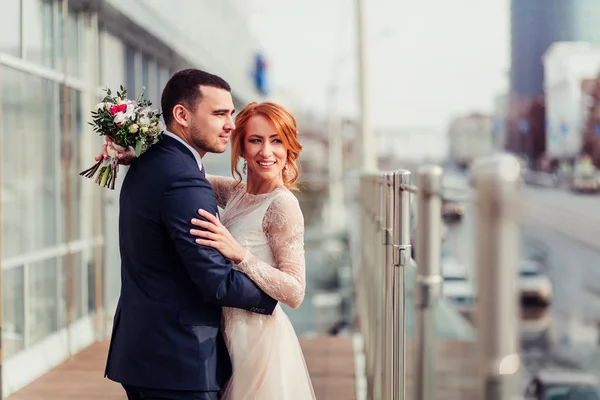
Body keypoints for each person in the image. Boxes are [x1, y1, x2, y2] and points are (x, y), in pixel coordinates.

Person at [103, 69, 278, 400]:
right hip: (178, 361)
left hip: (145, 353)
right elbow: (214, 280)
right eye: (219, 114)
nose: (231, 124)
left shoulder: (150, 159)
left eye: (231, 113)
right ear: (181, 115)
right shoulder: (183, 179)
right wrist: (271, 293)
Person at [189, 101, 315, 399]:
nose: (266, 152)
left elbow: (295, 292)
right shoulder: (235, 192)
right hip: (226, 336)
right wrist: (134, 150)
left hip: (259, 340)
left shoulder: (283, 205)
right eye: (256, 140)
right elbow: (184, 176)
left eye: (276, 141)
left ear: (289, 150)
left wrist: (240, 255)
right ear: (242, 148)